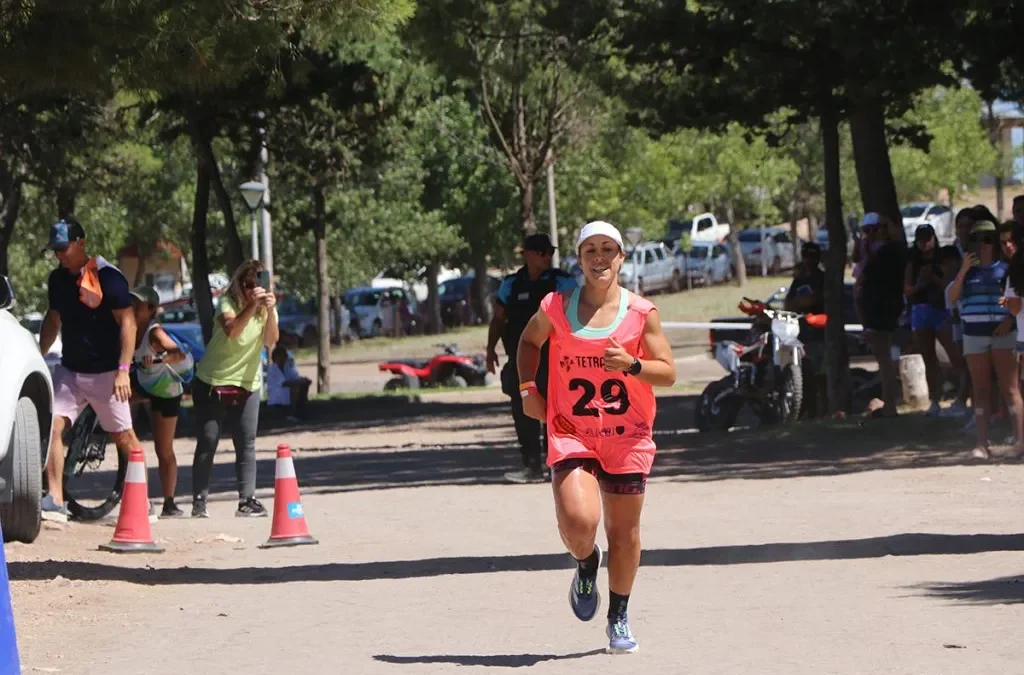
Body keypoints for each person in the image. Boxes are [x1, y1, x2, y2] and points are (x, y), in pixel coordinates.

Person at [517, 220, 676, 655]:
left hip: (627, 436)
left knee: (623, 533)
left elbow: (669, 372)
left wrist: (632, 365)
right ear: (580, 259)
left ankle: (618, 615)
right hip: (573, 432)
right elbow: (529, 343)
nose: (600, 257)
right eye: (591, 250)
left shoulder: (642, 313)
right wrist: (529, 389)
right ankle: (586, 562)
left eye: (609, 249)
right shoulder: (556, 307)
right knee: (578, 521)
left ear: (621, 257)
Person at [37, 218, 141, 523]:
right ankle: (54, 500)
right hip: (71, 371)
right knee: (53, 427)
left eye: (64, 248)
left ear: (81, 242)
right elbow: (53, 320)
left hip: (108, 373)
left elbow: (129, 323)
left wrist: (124, 370)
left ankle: (139, 502)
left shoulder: (109, 278)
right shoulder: (57, 281)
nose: (60, 255)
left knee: (125, 438)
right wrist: (36, 356)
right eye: (55, 250)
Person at [486, 233, 578, 484]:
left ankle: (557, 465)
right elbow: (498, 319)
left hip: (555, 360)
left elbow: (578, 316)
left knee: (555, 411)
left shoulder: (562, 282)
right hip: (521, 360)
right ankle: (531, 465)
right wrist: (490, 349)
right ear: (527, 254)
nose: (547, 256)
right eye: (541, 252)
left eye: (550, 252)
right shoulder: (510, 285)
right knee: (523, 410)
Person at [190, 260, 279, 518]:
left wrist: (271, 313)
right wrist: (252, 306)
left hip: (247, 383)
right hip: (213, 381)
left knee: (246, 442)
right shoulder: (226, 304)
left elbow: (271, 341)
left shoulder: (265, 309)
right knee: (208, 440)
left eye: (257, 284)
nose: (254, 289)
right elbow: (231, 330)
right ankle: (199, 500)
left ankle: (247, 500)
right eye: (248, 284)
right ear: (240, 284)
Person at [947, 221, 1022, 458]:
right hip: (974, 334)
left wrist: (1008, 321)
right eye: (978, 239)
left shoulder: (1007, 269)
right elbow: (951, 297)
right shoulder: (966, 271)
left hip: (1003, 334)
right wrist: (963, 270)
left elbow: (1015, 301)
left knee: (1010, 388)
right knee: (980, 389)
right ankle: (982, 443)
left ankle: (1020, 440)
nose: (984, 245)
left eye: (989, 239)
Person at [129, 285, 193, 518]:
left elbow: (178, 353)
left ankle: (169, 502)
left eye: (139, 304)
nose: (133, 307)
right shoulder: (130, 327)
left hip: (165, 391)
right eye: (131, 302)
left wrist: (158, 360)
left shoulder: (154, 333)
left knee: (163, 449)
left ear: (152, 309)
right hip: (144, 384)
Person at [855, 212, 907, 418]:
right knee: (883, 357)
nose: (876, 233)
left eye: (880, 228)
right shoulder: (880, 251)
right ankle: (889, 402)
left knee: (885, 358)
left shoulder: (892, 251)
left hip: (882, 309)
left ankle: (890, 405)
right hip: (875, 309)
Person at [904, 225, 958, 416]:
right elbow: (908, 290)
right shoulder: (913, 262)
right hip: (921, 310)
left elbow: (950, 286)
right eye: (921, 240)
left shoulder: (943, 258)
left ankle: (960, 397)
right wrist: (920, 283)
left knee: (955, 354)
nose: (924, 244)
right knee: (928, 359)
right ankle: (934, 400)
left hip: (941, 310)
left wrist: (933, 278)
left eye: (928, 239)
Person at [784, 241, 826, 417]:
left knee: (818, 374)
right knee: (802, 375)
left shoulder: (819, 278)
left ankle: (820, 410)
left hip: (817, 332)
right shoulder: (799, 279)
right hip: (799, 333)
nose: (808, 259)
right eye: (805, 255)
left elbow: (813, 300)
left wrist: (799, 303)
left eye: (811, 255)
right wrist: (798, 303)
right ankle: (805, 410)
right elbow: (788, 304)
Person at [938, 246, 971, 418]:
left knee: (967, 368)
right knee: (962, 366)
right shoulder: (950, 287)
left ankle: (963, 401)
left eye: (948, 263)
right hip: (959, 331)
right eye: (942, 264)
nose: (945, 267)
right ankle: (962, 400)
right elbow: (953, 314)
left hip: (969, 331)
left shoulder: (966, 281)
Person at [267, 345, 311, 421]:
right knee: (294, 388)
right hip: (277, 394)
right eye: (282, 356)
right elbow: (285, 383)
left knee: (304, 384)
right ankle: (290, 414)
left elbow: (294, 377)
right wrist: (299, 382)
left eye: (285, 356)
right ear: (277, 357)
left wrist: (303, 380)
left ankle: (302, 408)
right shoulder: (273, 369)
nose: (284, 358)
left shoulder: (286, 367)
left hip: (285, 391)